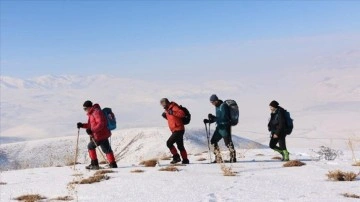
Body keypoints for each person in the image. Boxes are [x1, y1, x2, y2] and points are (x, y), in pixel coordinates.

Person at [77, 100, 118, 169]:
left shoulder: (96, 112)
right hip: (104, 134)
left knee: (90, 146)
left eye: (85, 109)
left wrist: (92, 130)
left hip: (99, 135)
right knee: (107, 149)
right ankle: (113, 164)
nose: (85, 110)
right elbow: (91, 125)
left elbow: (101, 124)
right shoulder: (92, 113)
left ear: (89, 107)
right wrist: (82, 125)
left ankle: (94, 164)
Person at [204, 94, 236, 163]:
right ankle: (218, 158)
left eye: (213, 102)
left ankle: (233, 158)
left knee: (228, 143)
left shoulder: (223, 106)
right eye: (211, 102)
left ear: (216, 100)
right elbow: (218, 118)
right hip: (219, 128)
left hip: (225, 127)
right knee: (213, 141)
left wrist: (213, 118)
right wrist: (209, 120)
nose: (212, 104)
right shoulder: (217, 106)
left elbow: (224, 118)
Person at [160, 98, 190, 164]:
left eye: (163, 105)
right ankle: (185, 160)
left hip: (178, 129)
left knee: (169, 143)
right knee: (180, 146)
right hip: (176, 129)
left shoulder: (174, 107)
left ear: (166, 103)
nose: (163, 107)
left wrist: (172, 112)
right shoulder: (168, 110)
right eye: (162, 106)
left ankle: (176, 157)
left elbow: (182, 114)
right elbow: (172, 119)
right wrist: (165, 116)